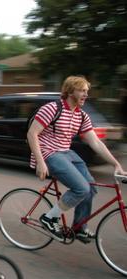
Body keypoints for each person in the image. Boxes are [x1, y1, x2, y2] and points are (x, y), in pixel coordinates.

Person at [27, 75, 127, 243]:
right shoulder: (52, 108)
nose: (86, 94)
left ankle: (79, 227)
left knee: (91, 188)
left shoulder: (81, 116)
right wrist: (41, 162)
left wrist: (116, 165)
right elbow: (32, 133)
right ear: (69, 91)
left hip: (66, 153)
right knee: (81, 188)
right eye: (82, 90)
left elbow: (95, 142)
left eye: (87, 91)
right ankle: (49, 218)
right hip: (49, 153)